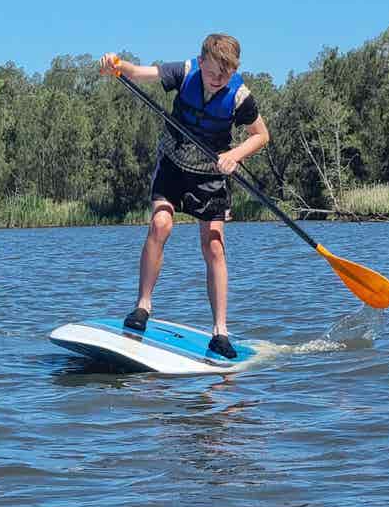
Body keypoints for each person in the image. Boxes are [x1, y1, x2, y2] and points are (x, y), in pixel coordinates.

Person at [99, 34, 270, 359]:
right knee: (161, 224)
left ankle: (220, 331)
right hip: (174, 165)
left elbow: (261, 135)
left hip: (211, 173)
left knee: (214, 245)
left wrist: (235, 155)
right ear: (202, 61)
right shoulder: (186, 71)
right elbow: (139, 72)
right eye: (213, 72)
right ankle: (142, 307)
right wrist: (116, 65)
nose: (218, 80)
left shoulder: (240, 97)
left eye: (226, 74)